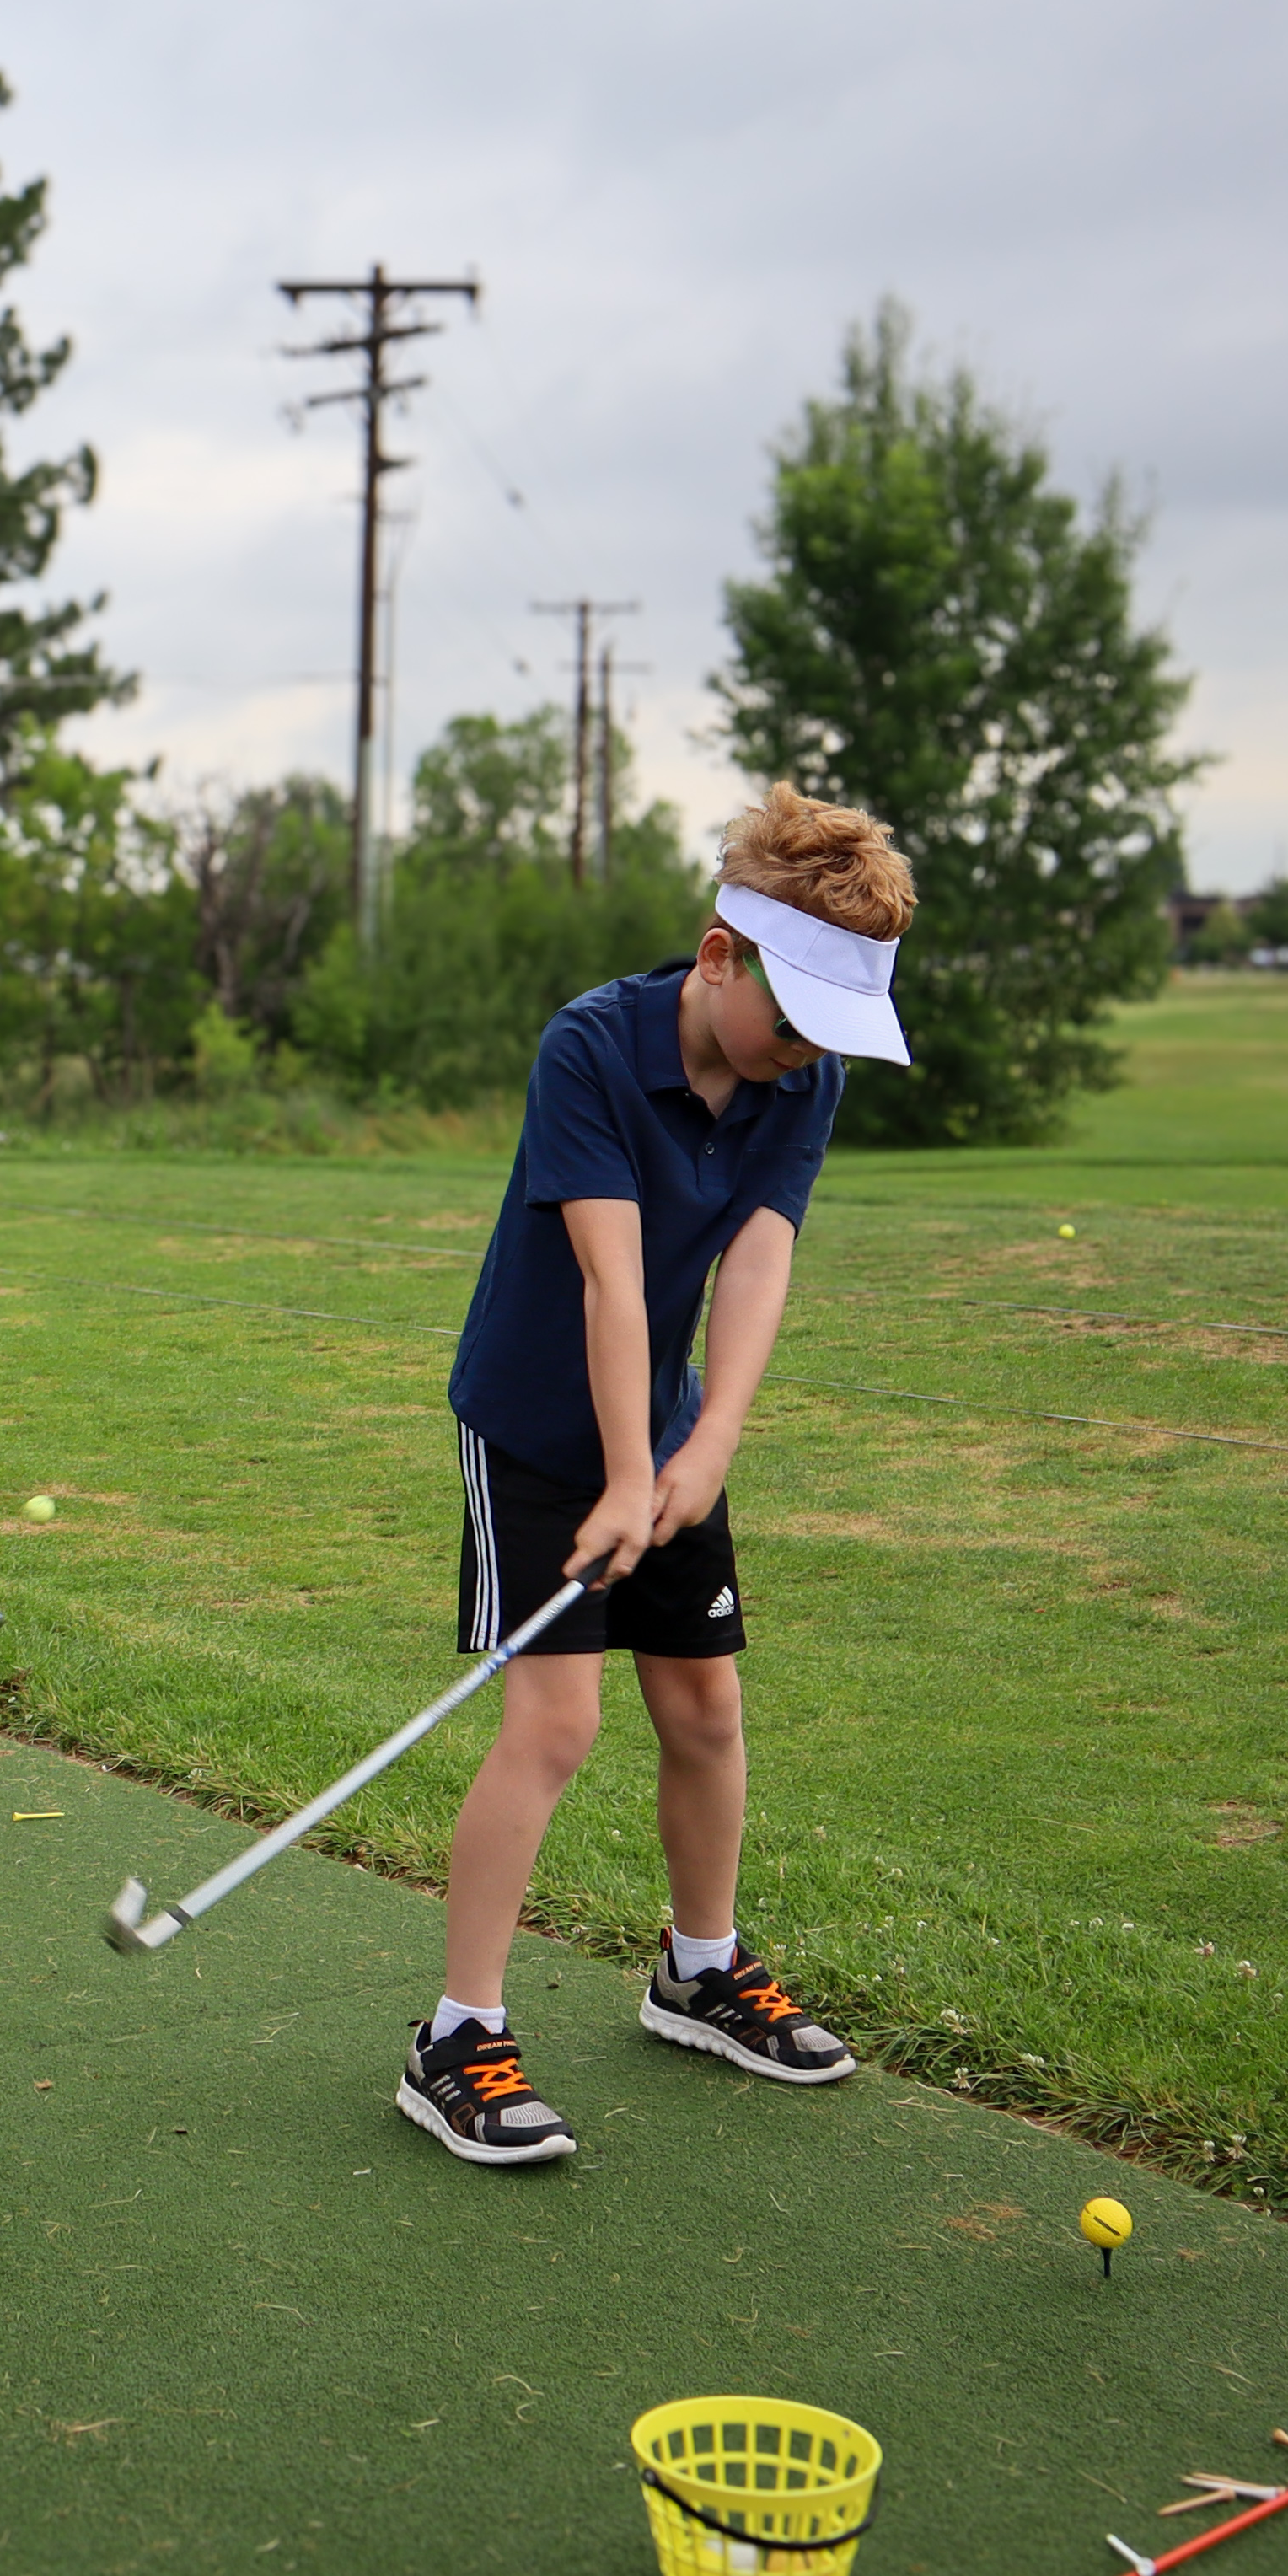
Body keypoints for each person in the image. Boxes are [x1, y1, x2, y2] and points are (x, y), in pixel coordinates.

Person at [397, 783, 919, 2168]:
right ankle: (455, 2034)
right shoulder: (588, 1044)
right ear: (714, 955)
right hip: (529, 1428)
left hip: (668, 1437)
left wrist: (702, 1453)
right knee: (554, 1725)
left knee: (702, 1706)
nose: (805, 1053)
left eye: (828, 1033)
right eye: (790, 1018)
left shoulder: (797, 1076)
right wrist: (626, 1472)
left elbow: (756, 1259)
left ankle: (696, 1970)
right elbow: (608, 1279)